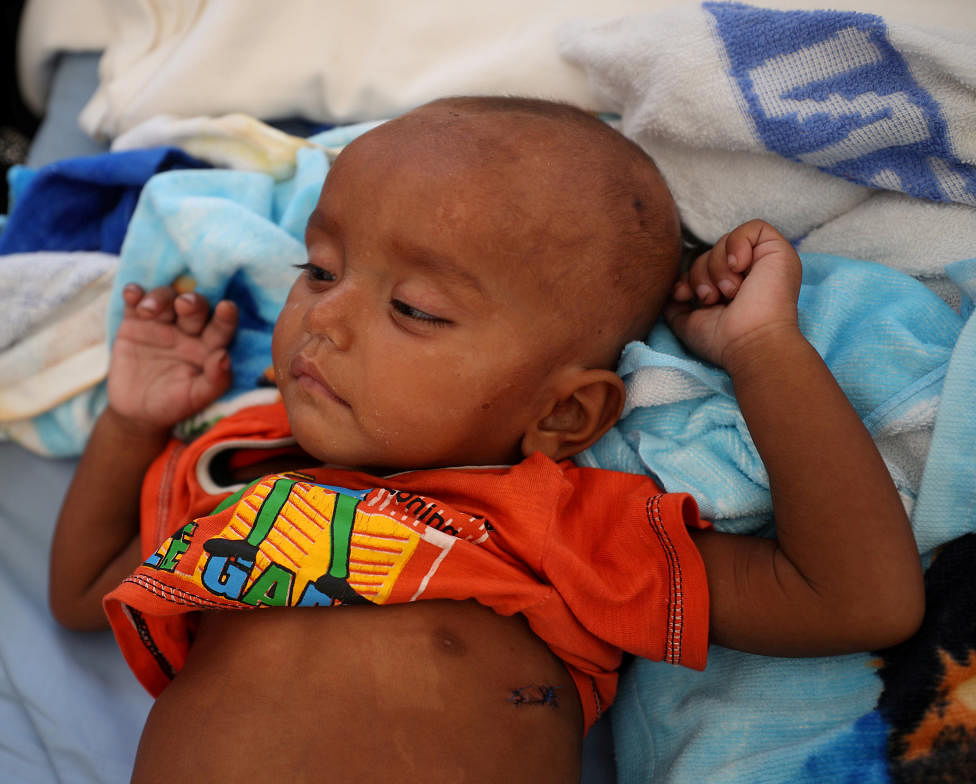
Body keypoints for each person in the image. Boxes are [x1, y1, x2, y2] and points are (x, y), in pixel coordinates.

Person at [48, 96, 924, 782]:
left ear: (564, 416)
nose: (325, 320)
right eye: (318, 269)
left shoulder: (562, 528)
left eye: (415, 309)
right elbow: (85, 592)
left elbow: (856, 598)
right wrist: (133, 422)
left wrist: (765, 350)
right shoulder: (242, 466)